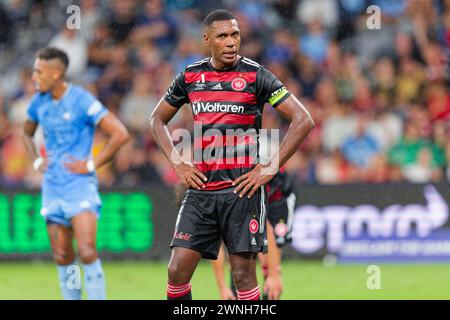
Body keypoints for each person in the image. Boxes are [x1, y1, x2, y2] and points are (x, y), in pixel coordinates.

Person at [149, 9, 314, 300]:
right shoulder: (190, 76)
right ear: (207, 40)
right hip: (201, 189)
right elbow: (156, 120)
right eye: (222, 36)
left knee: (242, 275)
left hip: (242, 191)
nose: (230, 42)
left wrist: (270, 167)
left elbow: (303, 119)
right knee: (176, 270)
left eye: (235, 34)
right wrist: (178, 162)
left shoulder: (256, 75)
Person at [23, 47, 129, 300]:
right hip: (52, 186)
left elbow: (120, 134)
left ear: (56, 73)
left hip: (79, 185)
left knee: (87, 251)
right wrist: (37, 160)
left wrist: (92, 164)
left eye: (39, 71)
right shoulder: (39, 101)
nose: (34, 77)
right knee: (62, 256)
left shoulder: (81, 100)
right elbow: (26, 133)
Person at [211, 169, 296, 300]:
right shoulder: (208, 197)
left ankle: (271, 287)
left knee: (269, 270)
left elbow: (266, 229)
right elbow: (216, 245)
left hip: (277, 195)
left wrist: (273, 274)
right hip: (245, 186)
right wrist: (222, 287)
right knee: (239, 256)